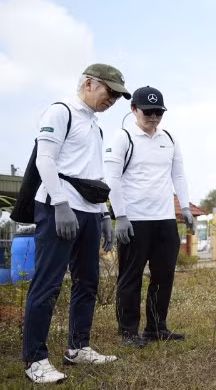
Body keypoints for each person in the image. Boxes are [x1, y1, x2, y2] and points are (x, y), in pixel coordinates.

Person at [22, 64, 129, 383]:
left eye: (117, 96)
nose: (113, 100)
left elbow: (93, 174)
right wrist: (60, 203)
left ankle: (78, 347)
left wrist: (104, 215)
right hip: (59, 208)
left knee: (87, 282)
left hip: (89, 212)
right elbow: (45, 159)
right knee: (48, 283)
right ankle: (35, 360)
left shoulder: (94, 125)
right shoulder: (60, 112)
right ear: (88, 83)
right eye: (109, 92)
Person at [104, 86, 193, 348]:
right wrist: (120, 215)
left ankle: (156, 327)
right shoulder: (123, 138)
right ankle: (128, 331)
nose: (153, 117)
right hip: (134, 220)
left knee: (163, 275)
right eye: (148, 112)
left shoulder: (169, 139)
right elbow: (112, 178)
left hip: (164, 219)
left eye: (159, 112)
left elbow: (178, 175)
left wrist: (185, 207)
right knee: (130, 277)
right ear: (134, 110)